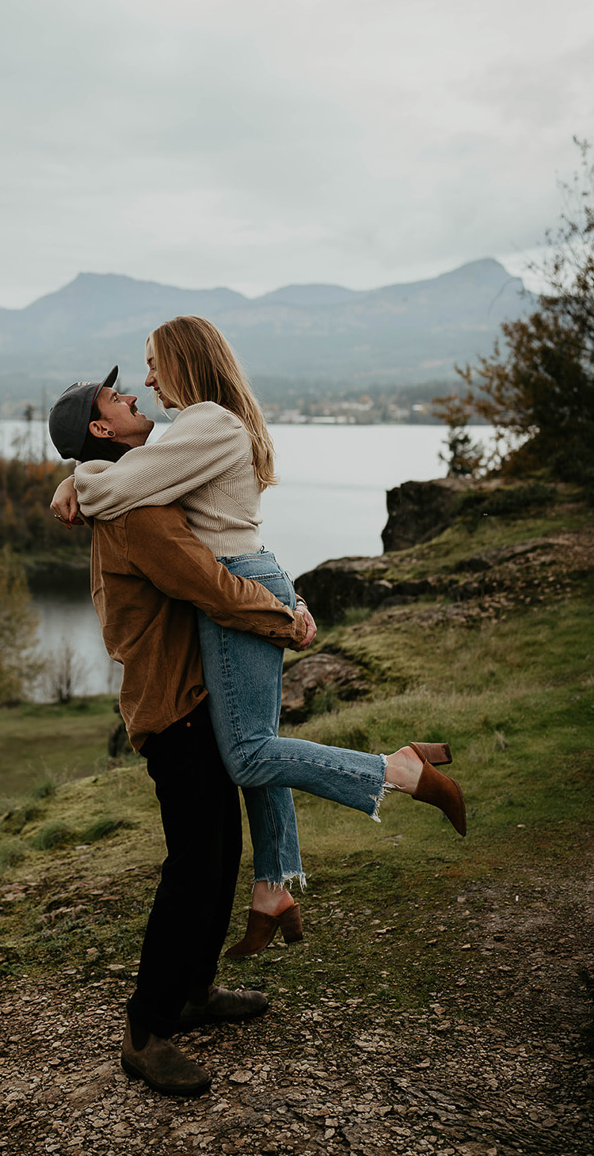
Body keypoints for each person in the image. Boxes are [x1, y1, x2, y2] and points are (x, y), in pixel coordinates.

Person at [50, 318, 466, 956]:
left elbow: (124, 486)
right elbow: (132, 475)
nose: (147, 380)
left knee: (245, 753)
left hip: (235, 581)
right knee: (256, 746)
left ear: (185, 362)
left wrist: (76, 482)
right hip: (246, 569)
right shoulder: (199, 426)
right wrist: (75, 477)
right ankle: (273, 887)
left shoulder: (207, 422)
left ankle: (394, 770)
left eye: (154, 363)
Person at [47, 370, 316, 1097]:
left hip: (187, 692)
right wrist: (282, 619)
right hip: (173, 704)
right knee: (193, 863)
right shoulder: (137, 513)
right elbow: (206, 581)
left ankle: (193, 991)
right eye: (115, 400)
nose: (131, 396)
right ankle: (146, 1028)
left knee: (218, 849)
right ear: (100, 429)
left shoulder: (131, 483)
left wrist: (73, 476)